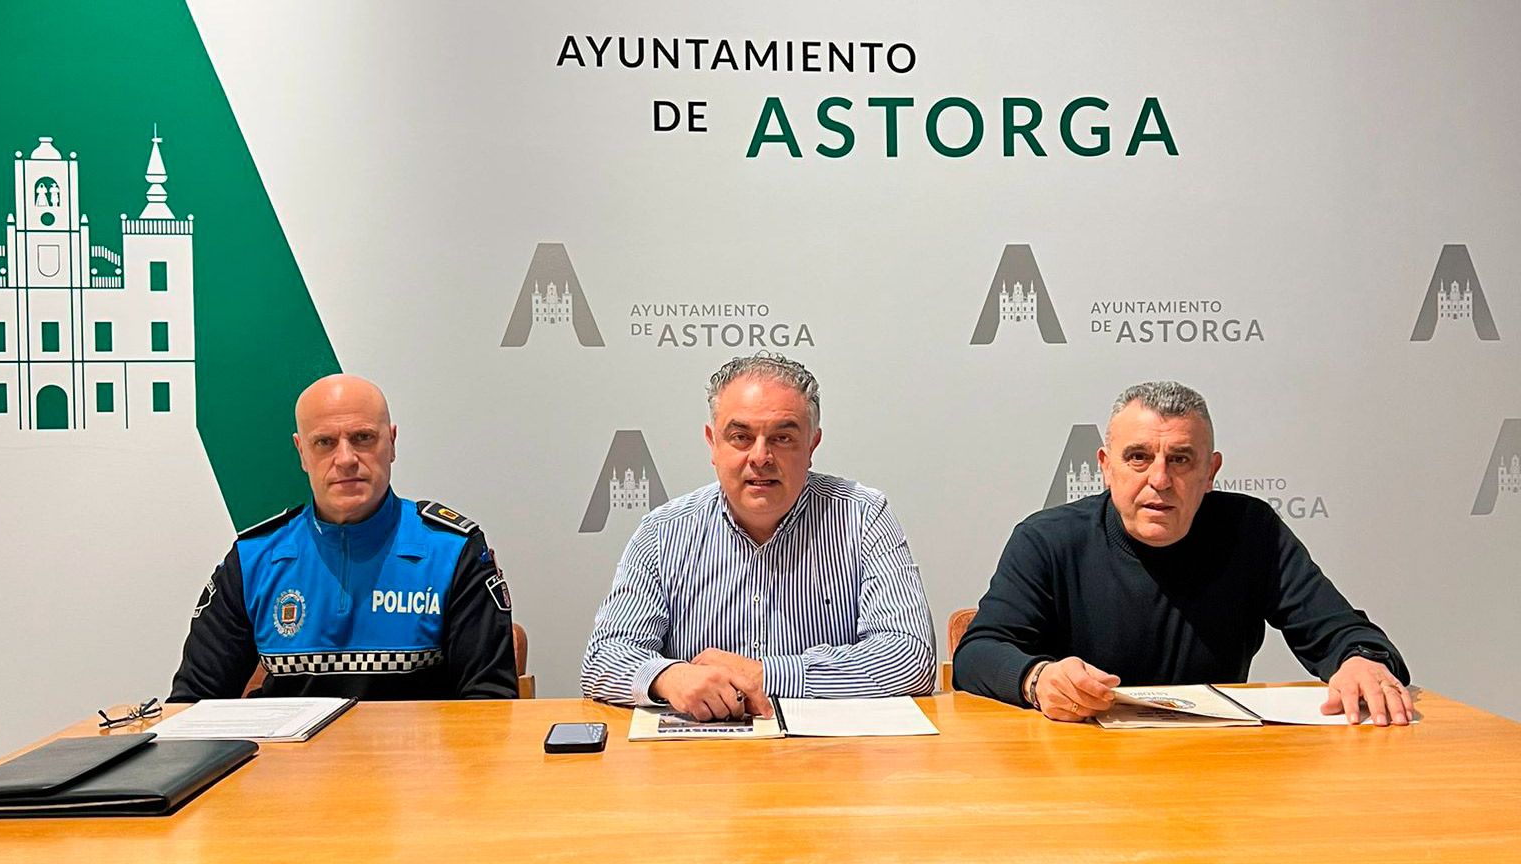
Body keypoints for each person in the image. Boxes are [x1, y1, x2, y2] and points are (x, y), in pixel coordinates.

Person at [954, 381, 1413, 726]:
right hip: (1078, 767)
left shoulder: (1251, 531)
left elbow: (1344, 632)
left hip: (1214, 768)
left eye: (1180, 459)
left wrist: (1359, 661)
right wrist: (1037, 679)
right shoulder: (1047, 539)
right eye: (1138, 457)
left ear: (1210, 471)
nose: (1159, 479)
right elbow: (977, 654)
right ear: (1106, 467)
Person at [580, 353, 936, 720]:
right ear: (712, 444)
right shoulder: (663, 531)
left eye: (782, 438)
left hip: (827, 750)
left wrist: (767, 676)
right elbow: (603, 657)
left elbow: (910, 657)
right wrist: (667, 676)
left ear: (812, 445)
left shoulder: (862, 516)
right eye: (740, 437)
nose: (761, 457)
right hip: (701, 750)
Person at [169, 374, 516, 701]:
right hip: (290, 750)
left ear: (392, 444)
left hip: (421, 748)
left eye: (363, 438)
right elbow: (192, 704)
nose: (346, 459)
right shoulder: (253, 559)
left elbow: (490, 706)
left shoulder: (454, 551)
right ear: (302, 452)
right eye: (325, 442)